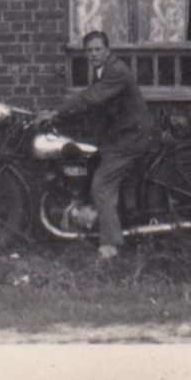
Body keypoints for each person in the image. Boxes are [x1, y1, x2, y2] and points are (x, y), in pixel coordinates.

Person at [38, 31, 153, 261]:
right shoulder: (102, 71)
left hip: (130, 138)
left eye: (97, 49)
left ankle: (110, 245)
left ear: (107, 50)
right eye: (89, 50)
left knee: (101, 184)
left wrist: (57, 114)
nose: (93, 54)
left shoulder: (116, 71)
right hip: (119, 136)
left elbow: (91, 98)